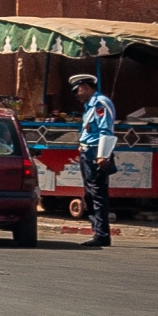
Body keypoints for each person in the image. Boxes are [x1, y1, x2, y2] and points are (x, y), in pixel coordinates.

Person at [70, 71, 115, 248]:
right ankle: (97, 230)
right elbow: (90, 130)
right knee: (89, 195)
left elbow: (106, 130)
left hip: (97, 154)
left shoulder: (100, 103)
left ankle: (102, 235)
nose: (76, 95)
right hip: (87, 152)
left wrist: (102, 155)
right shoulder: (90, 106)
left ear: (85, 87)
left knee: (97, 195)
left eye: (77, 91)